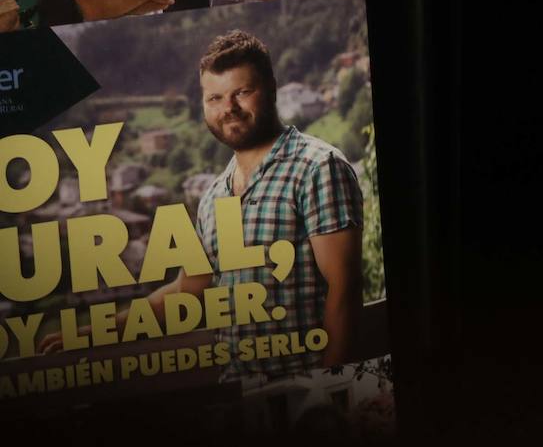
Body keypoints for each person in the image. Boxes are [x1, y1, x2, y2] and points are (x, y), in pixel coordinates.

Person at [41, 30, 365, 378]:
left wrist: (330, 392)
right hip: (240, 398)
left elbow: (343, 292)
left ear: (270, 88)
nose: (229, 109)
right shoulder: (213, 196)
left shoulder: (318, 168)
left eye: (242, 92)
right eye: (215, 98)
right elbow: (186, 292)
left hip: (306, 401)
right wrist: (91, 334)